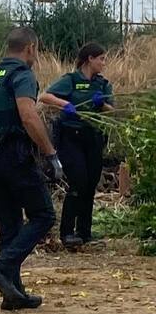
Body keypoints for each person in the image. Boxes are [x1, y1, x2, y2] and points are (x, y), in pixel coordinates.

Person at [0, 27, 63, 311]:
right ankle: (1, 267)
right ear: (30, 48)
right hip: (14, 154)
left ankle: (12, 293)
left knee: (9, 225)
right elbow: (28, 115)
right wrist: (50, 153)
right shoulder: (22, 75)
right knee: (44, 214)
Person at [39, 42, 114, 248]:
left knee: (90, 184)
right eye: (101, 59)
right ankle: (67, 232)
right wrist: (65, 104)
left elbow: (112, 111)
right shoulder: (71, 80)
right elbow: (45, 96)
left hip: (94, 137)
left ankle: (84, 231)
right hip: (71, 136)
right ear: (90, 59)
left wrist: (102, 105)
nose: (104, 63)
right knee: (78, 182)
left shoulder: (102, 84)